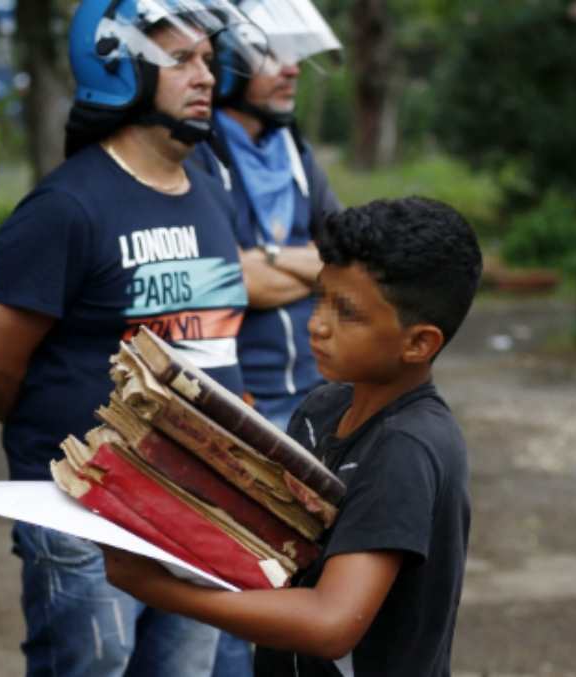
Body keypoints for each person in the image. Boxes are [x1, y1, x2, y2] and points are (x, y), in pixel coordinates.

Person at [0, 1, 268, 675]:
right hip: (86, 506)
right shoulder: (66, 208)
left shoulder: (211, 189)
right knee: (93, 664)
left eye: (208, 60)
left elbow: (218, 343)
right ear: (116, 66)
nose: (205, 76)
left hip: (200, 501)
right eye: (180, 59)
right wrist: (75, 430)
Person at [102, 196, 482, 677]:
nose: (317, 324)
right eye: (320, 296)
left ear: (419, 343)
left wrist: (160, 590)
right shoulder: (323, 407)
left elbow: (330, 623)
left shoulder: (405, 447)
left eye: (347, 313)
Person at [197, 2, 344, 672]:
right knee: (240, 580)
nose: (290, 68)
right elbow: (230, 281)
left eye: (294, 54)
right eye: (267, 53)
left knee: (314, 579)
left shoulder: (295, 149)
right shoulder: (201, 151)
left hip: (311, 399)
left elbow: (342, 262)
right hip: (241, 404)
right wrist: (297, 263)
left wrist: (269, 261)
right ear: (225, 60)